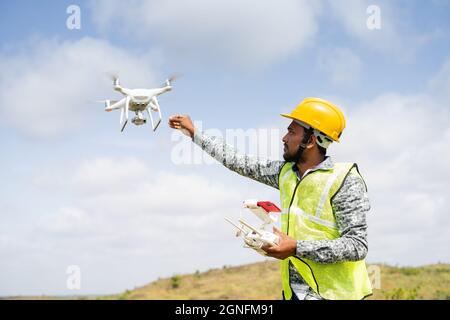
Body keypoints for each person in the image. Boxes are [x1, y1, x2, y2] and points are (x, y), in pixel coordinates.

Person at [168, 97, 372, 300]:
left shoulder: (345, 180)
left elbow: (357, 245)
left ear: (310, 140)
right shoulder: (285, 173)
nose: (284, 138)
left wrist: (296, 247)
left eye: (292, 132)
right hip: (293, 293)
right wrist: (194, 132)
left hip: (335, 295)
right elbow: (239, 162)